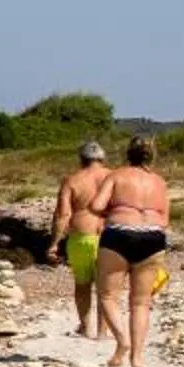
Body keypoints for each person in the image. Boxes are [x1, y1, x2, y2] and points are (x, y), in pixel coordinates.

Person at [96, 136, 171, 367]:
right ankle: (137, 357)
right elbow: (165, 218)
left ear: (128, 153)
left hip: (119, 235)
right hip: (152, 237)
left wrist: (115, 210)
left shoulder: (116, 176)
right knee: (141, 302)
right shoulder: (159, 182)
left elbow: (96, 205)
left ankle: (122, 342)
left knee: (108, 296)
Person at [51, 140, 117, 340]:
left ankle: (85, 327)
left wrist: (54, 243)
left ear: (81, 159)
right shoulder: (115, 177)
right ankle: (102, 332)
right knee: (106, 288)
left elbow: (63, 215)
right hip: (110, 236)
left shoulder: (72, 180)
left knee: (83, 285)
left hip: (81, 236)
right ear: (103, 159)